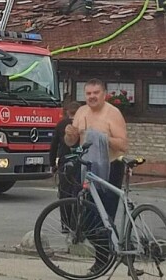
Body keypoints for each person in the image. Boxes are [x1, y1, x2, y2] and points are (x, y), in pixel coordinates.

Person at [63, 78, 128, 273]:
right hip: (86, 168)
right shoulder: (81, 112)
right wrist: (71, 134)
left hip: (110, 167)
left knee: (103, 217)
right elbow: (71, 142)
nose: (92, 97)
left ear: (104, 94)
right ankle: (108, 253)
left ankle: (103, 259)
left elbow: (123, 145)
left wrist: (100, 137)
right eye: (88, 93)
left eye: (96, 93)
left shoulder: (113, 113)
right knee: (81, 214)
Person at [50, 101, 81, 229]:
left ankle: (65, 224)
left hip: (65, 163)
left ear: (67, 112)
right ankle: (77, 224)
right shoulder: (83, 124)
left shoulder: (61, 124)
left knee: (64, 194)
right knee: (78, 194)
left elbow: (53, 145)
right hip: (80, 162)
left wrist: (52, 164)